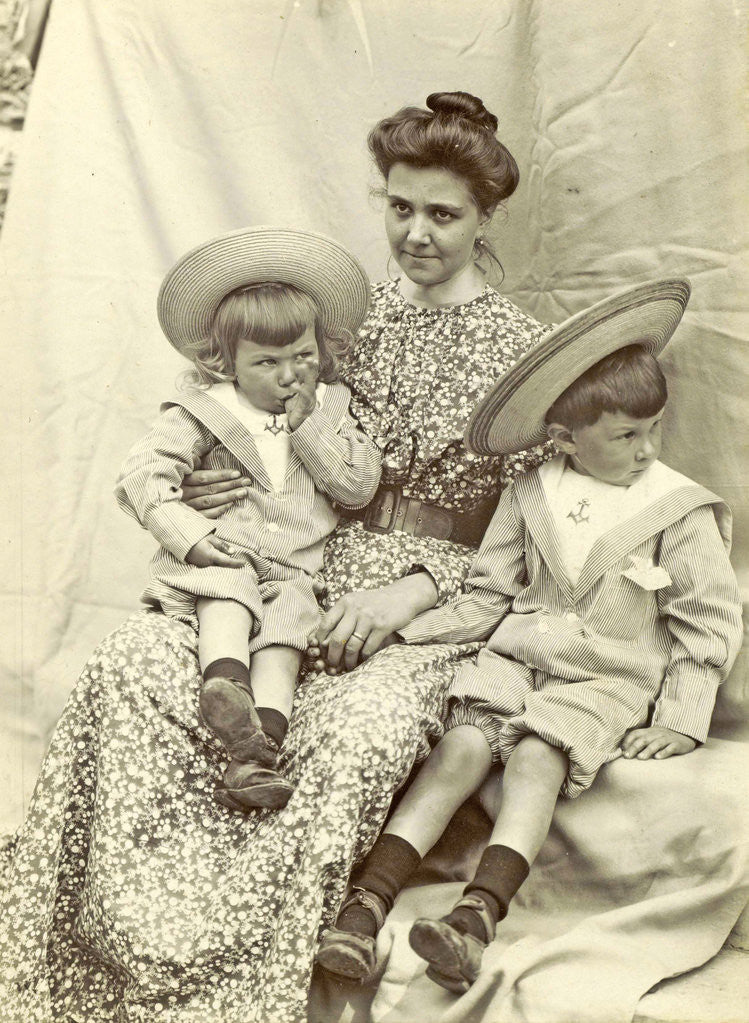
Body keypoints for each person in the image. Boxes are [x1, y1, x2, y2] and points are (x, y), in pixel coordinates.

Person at [0, 91, 592, 1023]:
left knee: (354, 731)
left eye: (443, 215)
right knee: (131, 665)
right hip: (294, 565)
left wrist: (411, 592)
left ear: (486, 218)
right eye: (399, 207)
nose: (416, 233)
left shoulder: (519, 352)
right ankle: (98, 946)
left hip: (431, 599)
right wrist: (220, 483)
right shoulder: (345, 318)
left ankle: (234, 971)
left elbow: (522, 526)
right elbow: (255, 420)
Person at [314, 280, 743, 993]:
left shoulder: (676, 507)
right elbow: (488, 592)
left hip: (603, 676)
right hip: (514, 657)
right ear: (565, 439)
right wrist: (409, 633)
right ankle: (364, 906)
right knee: (458, 747)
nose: (646, 449)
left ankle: (474, 918)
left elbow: (706, 622)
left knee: (538, 757)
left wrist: (679, 718)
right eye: (625, 436)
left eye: (653, 429)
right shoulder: (531, 490)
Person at [115, 227, 381, 811]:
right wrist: (192, 537)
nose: (290, 375)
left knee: (287, 636)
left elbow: (359, 488)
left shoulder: (331, 408)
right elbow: (142, 476)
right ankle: (227, 684)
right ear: (225, 362)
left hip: (294, 571)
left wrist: (310, 428)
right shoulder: (203, 411)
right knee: (228, 591)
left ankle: (256, 752)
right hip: (226, 549)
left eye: (304, 356)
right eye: (267, 362)